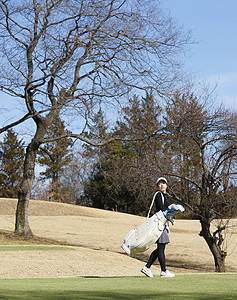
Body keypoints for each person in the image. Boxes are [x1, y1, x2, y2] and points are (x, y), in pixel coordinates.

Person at [141, 177, 175, 278]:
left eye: (163, 183)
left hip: (163, 225)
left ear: (166, 185)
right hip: (159, 224)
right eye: (159, 184)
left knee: (160, 247)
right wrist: (171, 209)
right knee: (161, 247)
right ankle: (163, 271)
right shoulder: (159, 195)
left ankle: (147, 267)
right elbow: (162, 208)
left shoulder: (165, 196)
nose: (162, 185)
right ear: (157, 186)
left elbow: (168, 208)